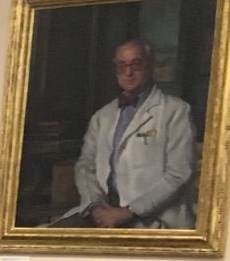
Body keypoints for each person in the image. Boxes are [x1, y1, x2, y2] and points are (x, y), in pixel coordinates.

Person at [64, 39, 197, 230]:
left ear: (150, 65)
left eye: (136, 64)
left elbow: (179, 173)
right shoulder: (102, 116)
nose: (128, 72)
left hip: (159, 222)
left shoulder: (176, 110)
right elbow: (86, 165)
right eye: (122, 66)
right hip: (105, 217)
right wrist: (95, 206)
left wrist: (128, 211)